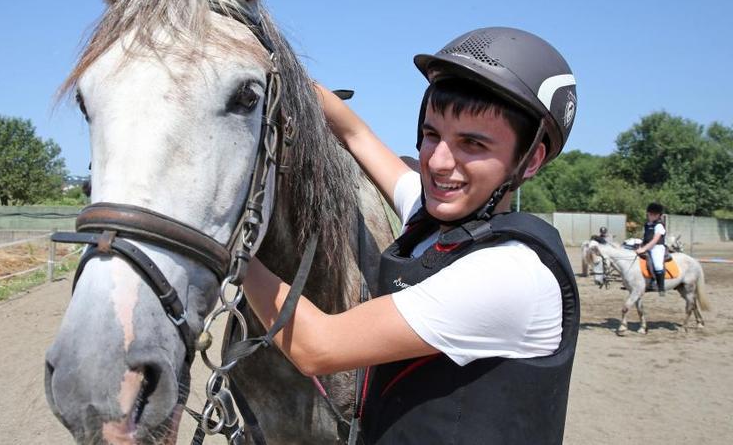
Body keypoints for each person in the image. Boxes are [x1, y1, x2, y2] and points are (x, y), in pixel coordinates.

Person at [243, 27, 579, 444]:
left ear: (530, 160)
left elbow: (317, 347)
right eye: (432, 134)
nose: (438, 162)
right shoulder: (432, 222)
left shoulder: (511, 274)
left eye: (472, 144)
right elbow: (356, 135)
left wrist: (232, 248)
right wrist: (276, 71)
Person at [636, 202, 667, 295]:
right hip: (646, 246)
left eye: (654, 214)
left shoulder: (659, 225)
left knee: (658, 265)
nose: (651, 216)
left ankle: (660, 287)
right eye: (650, 214)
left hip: (657, 247)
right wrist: (640, 246)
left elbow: (654, 240)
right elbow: (645, 238)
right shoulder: (647, 225)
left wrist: (644, 249)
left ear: (658, 215)